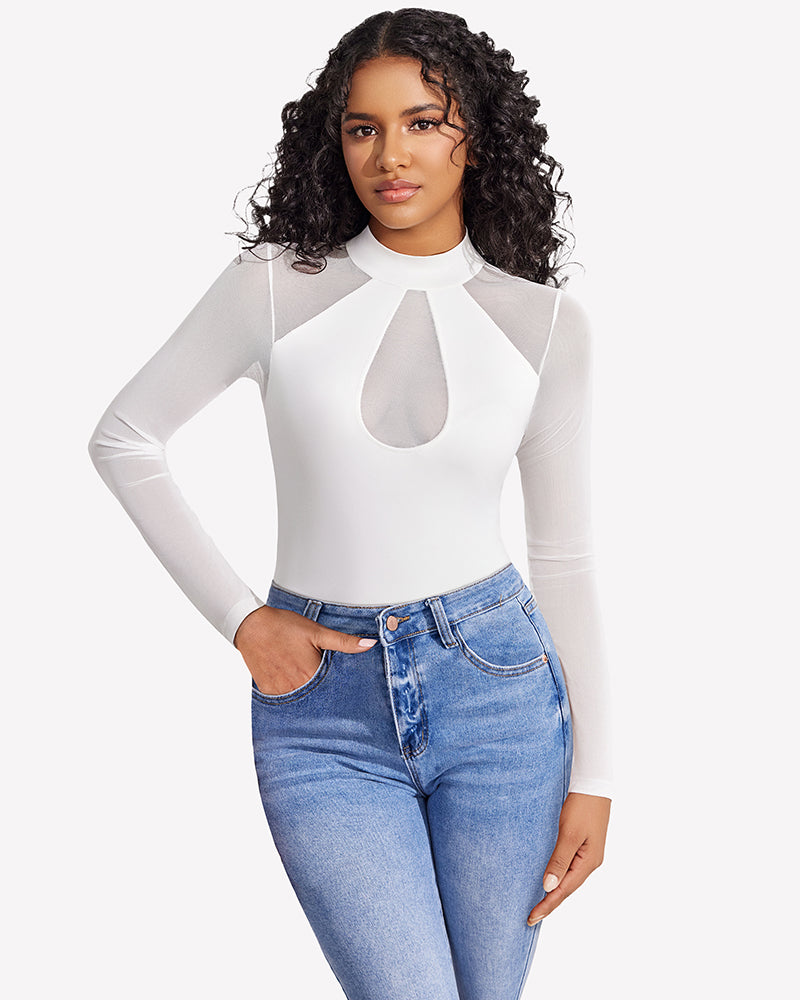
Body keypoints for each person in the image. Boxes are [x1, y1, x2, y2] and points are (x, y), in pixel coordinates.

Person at [87, 8, 613, 998]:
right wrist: (243, 619)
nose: (389, 155)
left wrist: (599, 774)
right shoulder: (274, 285)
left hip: (499, 693)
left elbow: (566, 558)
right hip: (321, 712)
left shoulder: (546, 324)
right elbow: (124, 438)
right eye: (363, 127)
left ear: (476, 136)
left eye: (422, 122)